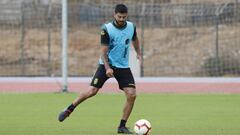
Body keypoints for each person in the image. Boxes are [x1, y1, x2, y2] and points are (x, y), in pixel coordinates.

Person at [58, 4, 141, 134]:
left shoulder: (131, 27)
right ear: (114, 14)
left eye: (124, 17)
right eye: (119, 17)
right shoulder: (107, 29)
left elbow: (135, 40)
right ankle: (69, 109)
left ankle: (122, 126)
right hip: (106, 64)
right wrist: (107, 68)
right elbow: (103, 52)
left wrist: (138, 52)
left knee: (132, 95)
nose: (122, 19)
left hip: (123, 66)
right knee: (92, 91)